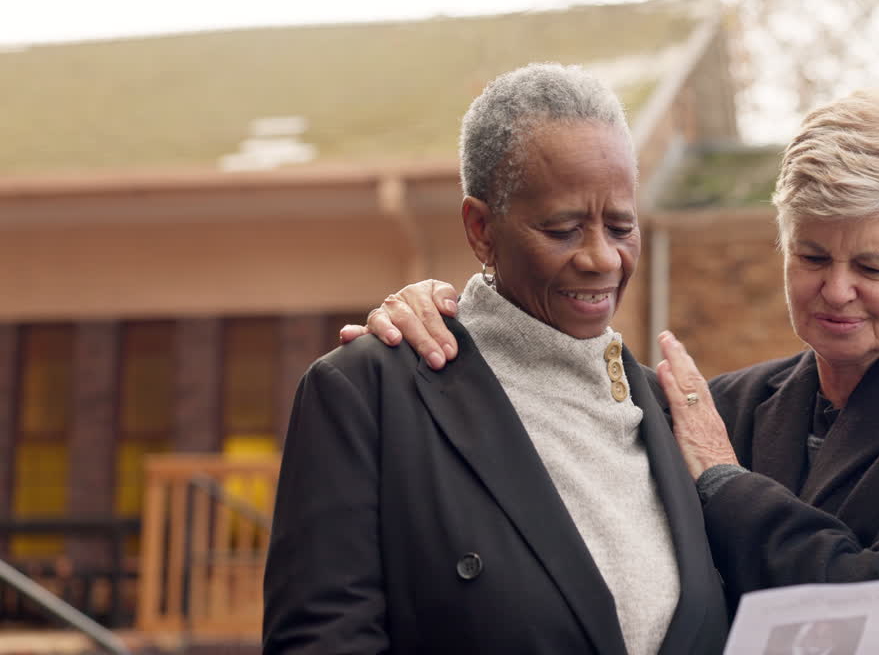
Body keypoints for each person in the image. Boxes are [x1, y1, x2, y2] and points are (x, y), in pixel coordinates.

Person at [343, 91, 879, 654]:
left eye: (872, 265)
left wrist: (727, 487)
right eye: (812, 257)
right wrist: (451, 319)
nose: (837, 289)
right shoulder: (726, 406)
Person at [263, 63, 728, 654]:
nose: (602, 258)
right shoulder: (369, 396)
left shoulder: (671, 413)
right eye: (563, 229)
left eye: (621, 225)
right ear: (481, 229)